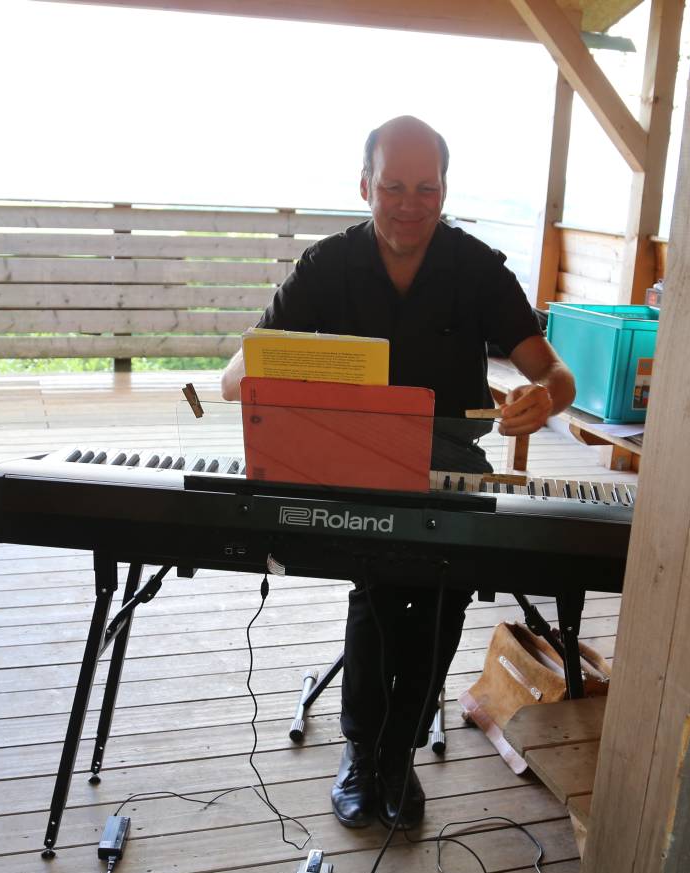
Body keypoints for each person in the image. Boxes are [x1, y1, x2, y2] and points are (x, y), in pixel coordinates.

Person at [220, 115, 575, 829]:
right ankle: (363, 752)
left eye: (426, 188)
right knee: (379, 589)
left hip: (452, 468)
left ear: (444, 190)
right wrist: (300, 370)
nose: (409, 203)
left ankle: (399, 756)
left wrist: (544, 400)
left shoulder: (477, 267)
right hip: (359, 464)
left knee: (441, 599)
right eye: (392, 187)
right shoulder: (328, 266)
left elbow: (555, 374)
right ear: (365, 186)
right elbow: (235, 378)